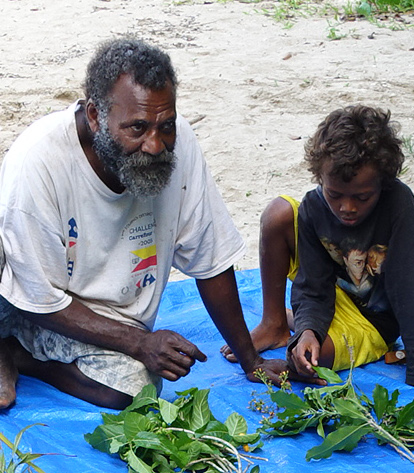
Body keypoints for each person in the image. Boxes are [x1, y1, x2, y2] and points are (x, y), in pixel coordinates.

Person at [0, 36, 279, 410]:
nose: (155, 144)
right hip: (24, 300)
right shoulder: (39, 161)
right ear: (96, 115)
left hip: (95, 314)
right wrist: (139, 343)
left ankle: (21, 355)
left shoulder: (177, 148)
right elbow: (37, 298)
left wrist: (252, 361)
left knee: (134, 392)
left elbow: (209, 257)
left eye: (166, 126)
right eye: (137, 128)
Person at [231, 105, 414, 392]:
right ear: (321, 179)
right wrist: (308, 330)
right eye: (334, 194)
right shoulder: (313, 208)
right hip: (330, 294)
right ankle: (276, 323)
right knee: (278, 213)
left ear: (383, 184)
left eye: (362, 196)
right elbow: (313, 285)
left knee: (314, 361)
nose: (347, 207)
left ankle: (294, 335)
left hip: (372, 322)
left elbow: (407, 290)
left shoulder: (399, 206)